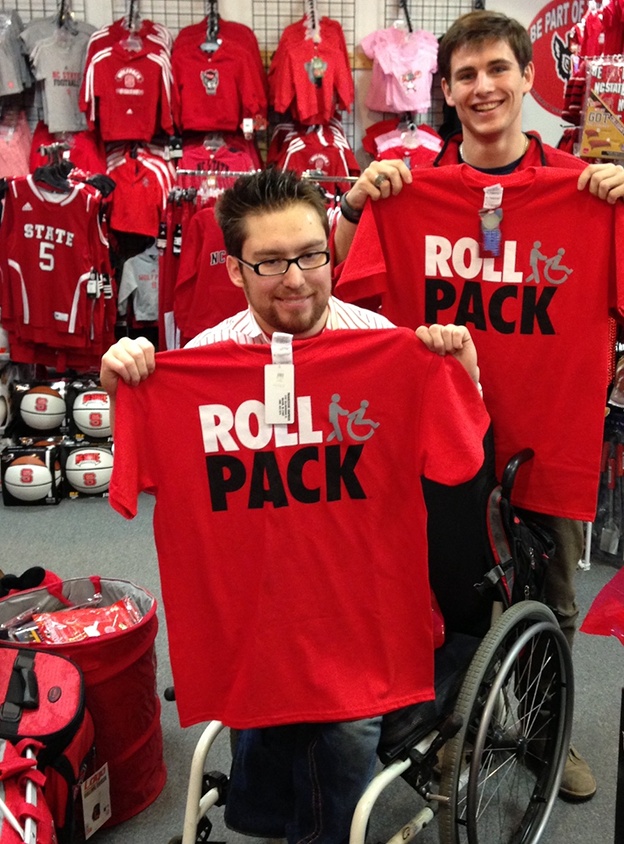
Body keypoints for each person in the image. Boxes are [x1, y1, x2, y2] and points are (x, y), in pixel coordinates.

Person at [331, 10, 624, 803]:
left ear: (525, 80)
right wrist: (352, 208)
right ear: (444, 90)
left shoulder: (585, 192)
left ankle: (545, 736)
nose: (483, 87)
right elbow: (341, 297)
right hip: (434, 441)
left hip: (547, 440)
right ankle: (446, 736)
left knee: (551, 599)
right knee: (435, 599)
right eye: (466, 75)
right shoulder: (407, 191)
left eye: (497, 71)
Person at [101, 167, 487, 844]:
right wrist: (131, 384)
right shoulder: (198, 363)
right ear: (233, 270)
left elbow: (459, 458)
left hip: (359, 610)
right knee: (264, 762)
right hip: (254, 608)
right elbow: (151, 481)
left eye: (311, 255)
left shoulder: (386, 346)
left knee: (339, 748)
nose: (298, 278)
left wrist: (459, 368)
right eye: (271, 262)